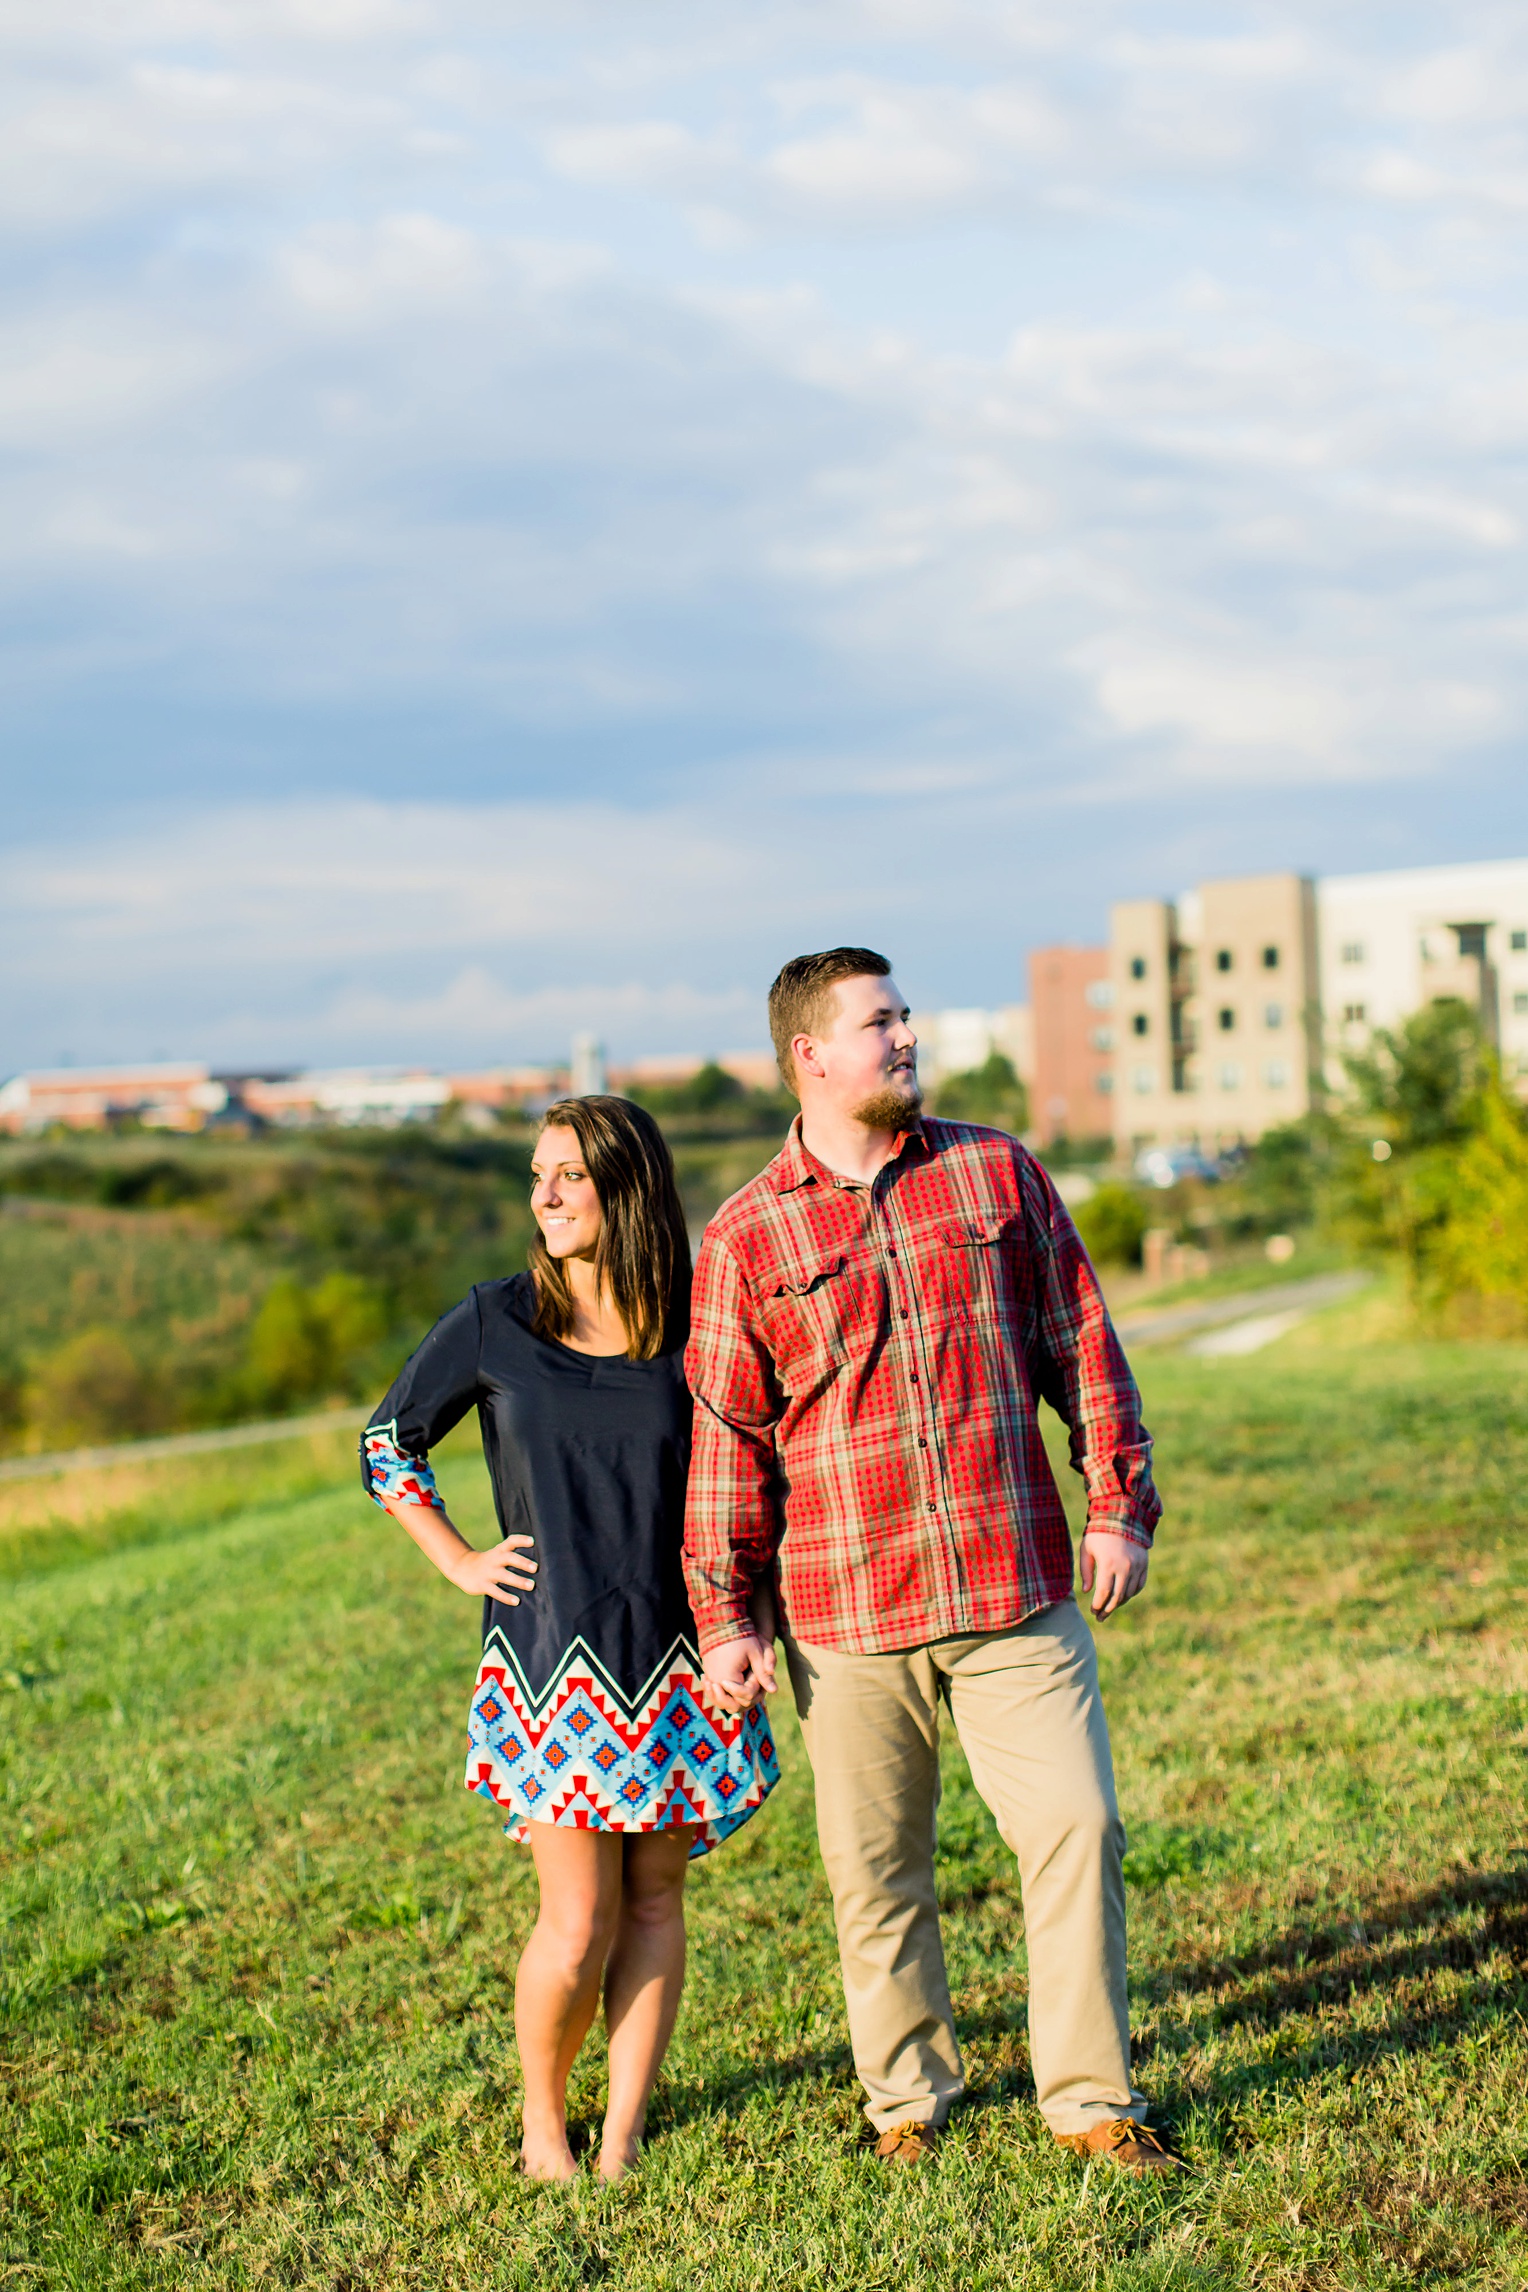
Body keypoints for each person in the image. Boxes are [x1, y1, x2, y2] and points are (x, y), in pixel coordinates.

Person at [682, 949, 1183, 2174]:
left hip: (1013, 1586)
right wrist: (723, 1614)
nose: (905, 1037)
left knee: (1078, 1825)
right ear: (810, 1053)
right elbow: (726, 1445)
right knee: (877, 1874)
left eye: (904, 1016)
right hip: (845, 1615)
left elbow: (1082, 1341)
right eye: (879, 1021)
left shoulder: (995, 1172)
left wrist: (1117, 1505)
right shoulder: (745, 1237)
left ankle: (1090, 2102)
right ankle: (906, 2101)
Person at [361, 1095, 778, 2183]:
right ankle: (545, 2129)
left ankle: (624, 2131)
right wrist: (457, 1557)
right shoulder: (497, 1318)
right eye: (536, 1174)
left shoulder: (697, 1318)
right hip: (555, 1661)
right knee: (577, 1914)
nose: (543, 1196)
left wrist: (755, 1614)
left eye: (568, 1176)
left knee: (654, 1899)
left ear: (625, 1188)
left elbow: (759, 1467)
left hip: (684, 1651)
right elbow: (387, 1443)